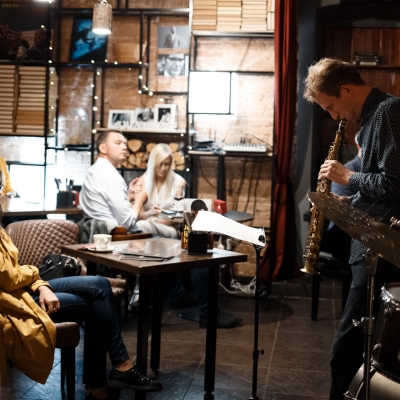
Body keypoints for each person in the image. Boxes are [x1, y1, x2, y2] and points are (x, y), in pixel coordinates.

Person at [303, 58, 400, 400]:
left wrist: (348, 177)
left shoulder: (388, 112)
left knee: (346, 352)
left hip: (381, 248)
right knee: (354, 347)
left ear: (346, 90)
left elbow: (396, 184)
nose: (333, 116)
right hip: (371, 243)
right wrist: (344, 201)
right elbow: (377, 187)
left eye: (331, 106)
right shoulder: (372, 119)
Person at [0, 227, 162, 399]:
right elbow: (7, 277)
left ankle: (114, 374)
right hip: (11, 302)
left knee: (100, 284)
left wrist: (41, 286)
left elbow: (13, 271)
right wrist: (34, 273)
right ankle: (109, 378)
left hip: (21, 289)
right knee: (96, 303)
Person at [133, 144, 242, 329]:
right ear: (153, 163)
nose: (164, 168)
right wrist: (153, 214)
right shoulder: (141, 183)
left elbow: (182, 213)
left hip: (172, 229)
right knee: (193, 251)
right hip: (150, 231)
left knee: (194, 245)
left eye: (168, 164)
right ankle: (203, 310)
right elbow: (135, 216)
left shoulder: (178, 182)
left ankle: (193, 303)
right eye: (160, 164)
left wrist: (164, 216)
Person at [80, 130, 148, 234]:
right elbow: (127, 223)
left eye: (125, 143)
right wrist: (139, 201)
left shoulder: (95, 169)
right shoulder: (109, 175)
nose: (124, 147)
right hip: (113, 238)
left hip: (96, 234)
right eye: (118, 143)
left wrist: (128, 197)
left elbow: (105, 208)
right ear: (103, 148)